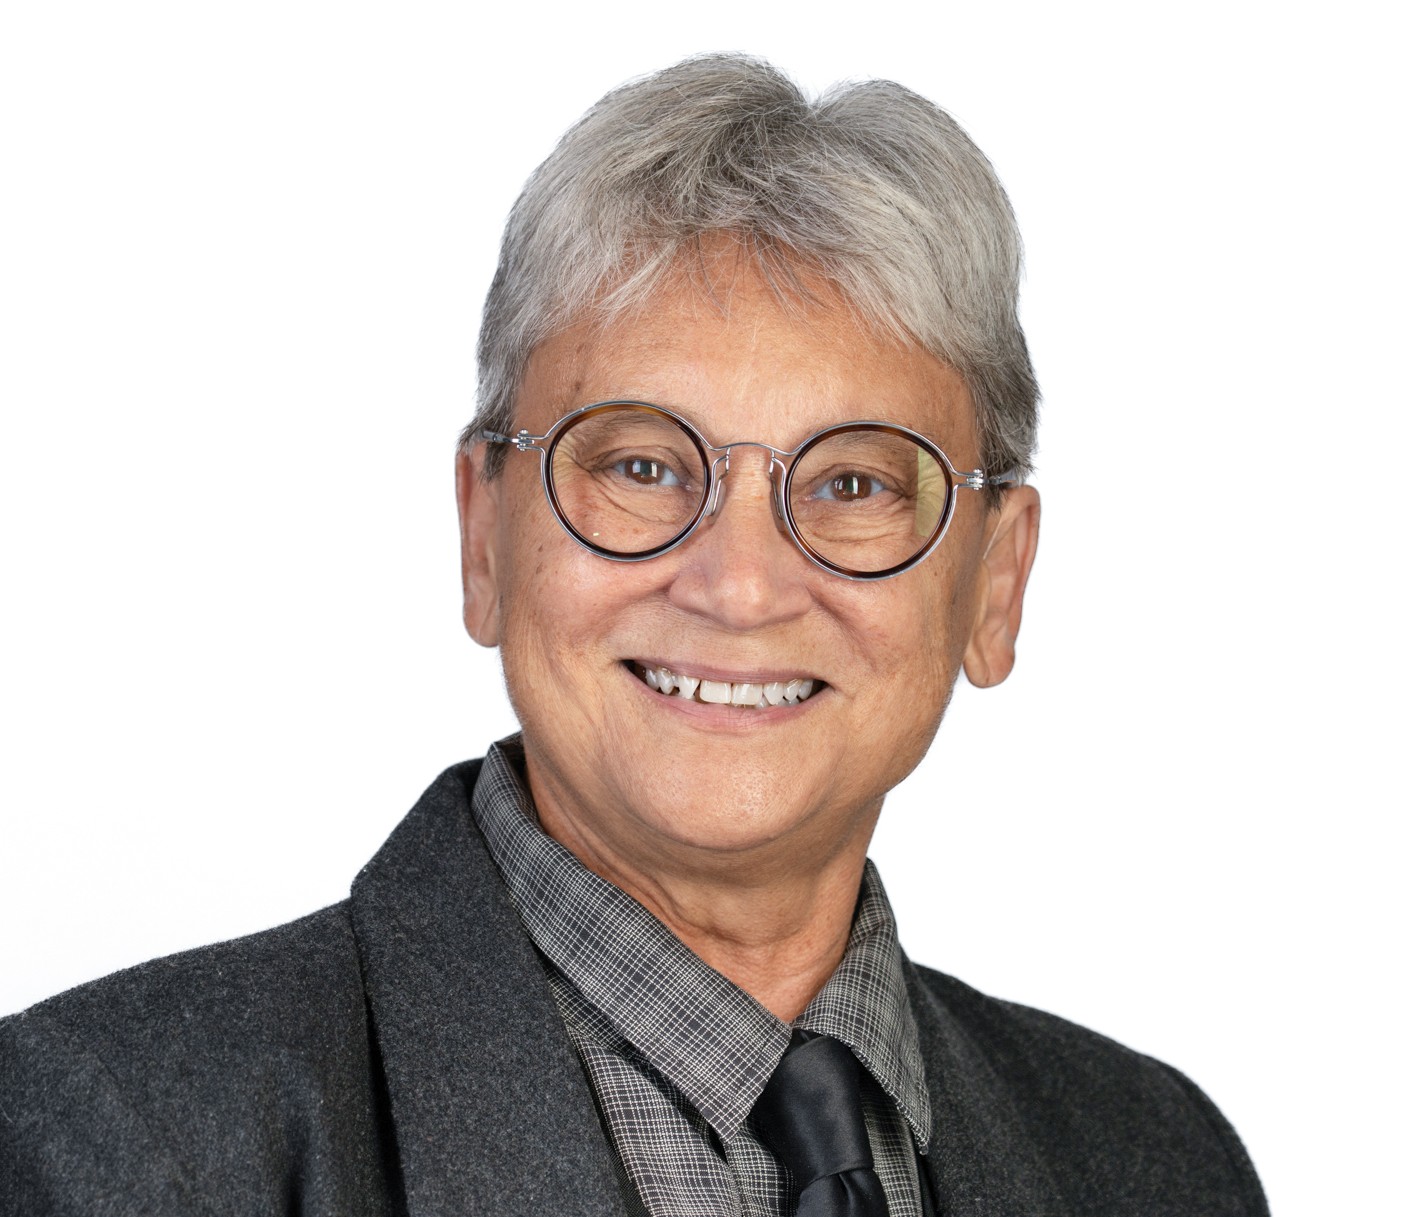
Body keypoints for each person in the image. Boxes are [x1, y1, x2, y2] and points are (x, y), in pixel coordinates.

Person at [0, 54, 1267, 1216]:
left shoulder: (1159, 1163)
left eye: (854, 483)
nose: (741, 584)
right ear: (484, 536)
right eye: (644, 466)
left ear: (996, 580)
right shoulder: (106, 1143)